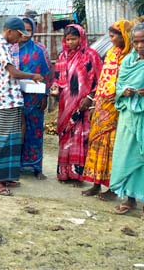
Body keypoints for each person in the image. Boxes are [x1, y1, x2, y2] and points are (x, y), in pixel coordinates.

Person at [0, 17, 44, 196]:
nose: (20, 38)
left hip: (9, 99)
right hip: (3, 101)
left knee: (10, 140)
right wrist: (33, 76)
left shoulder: (6, 46)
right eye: (19, 34)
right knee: (1, 139)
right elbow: (14, 73)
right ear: (9, 31)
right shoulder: (0, 46)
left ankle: (3, 176)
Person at [82, 20, 133, 199]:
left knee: (112, 147)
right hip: (102, 103)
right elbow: (103, 79)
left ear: (124, 36)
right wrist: (95, 101)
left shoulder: (130, 56)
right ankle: (96, 183)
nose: (110, 40)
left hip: (117, 106)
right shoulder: (111, 53)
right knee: (96, 143)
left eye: (113, 36)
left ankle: (112, 188)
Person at [51, 24, 102, 187]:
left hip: (83, 104)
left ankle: (78, 174)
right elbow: (58, 79)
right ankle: (65, 173)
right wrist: (55, 90)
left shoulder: (91, 55)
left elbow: (100, 79)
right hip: (66, 104)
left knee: (81, 137)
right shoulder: (62, 56)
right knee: (65, 137)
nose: (71, 42)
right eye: (68, 39)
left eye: (74, 39)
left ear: (81, 38)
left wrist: (90, 97)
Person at [110, 24, 144, 216]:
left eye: (143, 41)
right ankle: (129, 199)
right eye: (136, 42)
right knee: (126, 155)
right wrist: (125, 91)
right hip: (128, 115)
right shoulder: (128, 61)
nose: (139, 46)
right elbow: (118, 86)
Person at [14, 17, 51, 180]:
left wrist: (46, 95)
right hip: (14, 96)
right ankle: (15, 165)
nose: (25, 33)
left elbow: (48, 73)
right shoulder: (10, 49)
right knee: (15, 131)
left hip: (35, 98)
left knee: (35, 131)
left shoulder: (40, 49)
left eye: (29, 30)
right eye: (22, 29)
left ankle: (36, 166)